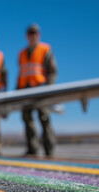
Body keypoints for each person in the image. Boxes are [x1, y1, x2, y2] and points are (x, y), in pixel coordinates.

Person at [17, 23, 57, 156]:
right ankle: (32, 148)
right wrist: (17, 90)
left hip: (40, 88)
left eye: (34, 33)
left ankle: (49, 148)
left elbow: (52, 70)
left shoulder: (45, 49)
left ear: (38, 35)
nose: (32, 36)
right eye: (30, 33)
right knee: (27, 119)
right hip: (25, 90)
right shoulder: (22, 53)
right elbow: (21, 73)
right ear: (26, 36)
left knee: (44, 118)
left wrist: (48, 87)